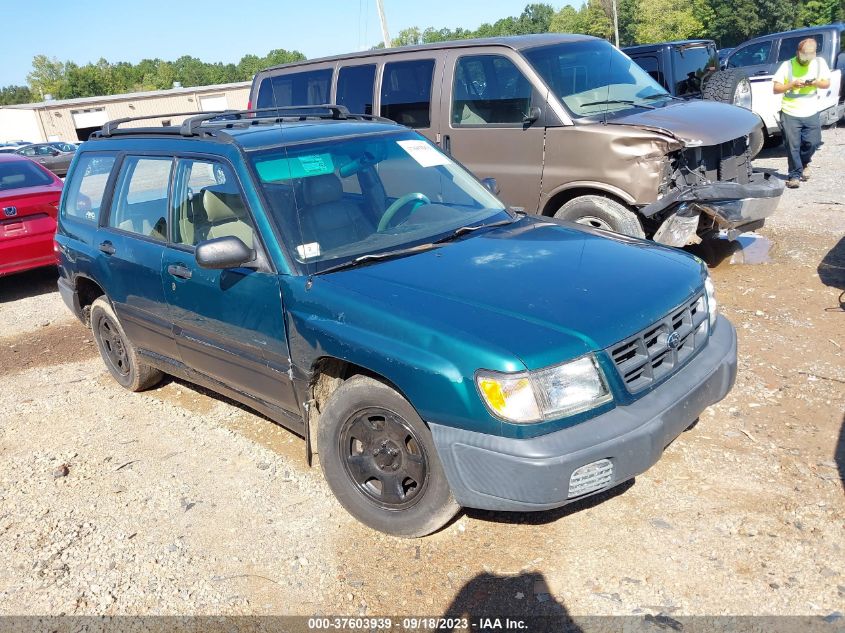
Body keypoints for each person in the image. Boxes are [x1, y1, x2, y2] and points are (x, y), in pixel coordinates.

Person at [773, 38, 831, 188]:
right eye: (804, 56)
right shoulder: (787, 65)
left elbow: (826, 83)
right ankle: (794, 175)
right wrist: (791, 84)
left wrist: (815, 82)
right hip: (790, 112)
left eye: (809, 57)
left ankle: (804, 162)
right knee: (793, 146)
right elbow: (776, 88)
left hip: (810, 111)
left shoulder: (819, 63)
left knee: (813, 142)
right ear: (798, 53)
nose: (806, 60)